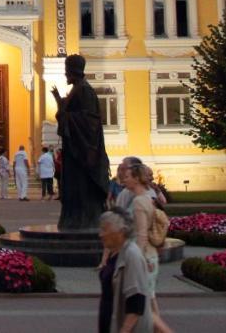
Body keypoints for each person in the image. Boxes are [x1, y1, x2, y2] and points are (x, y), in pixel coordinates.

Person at [50, 54, 111, 229]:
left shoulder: (84, 90)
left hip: (83, 152)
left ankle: (83, 221)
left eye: (67, 71)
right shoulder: (77, 89)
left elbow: (89, 121)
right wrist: (60, 102)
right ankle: (73, 220)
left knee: (81, 188)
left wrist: (64, 114)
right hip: (75, 149)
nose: (65, 75)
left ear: (73, 72)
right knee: (73, 188)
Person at [120, 163, 172, 333]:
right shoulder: (147, 199)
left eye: (127, 176)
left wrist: (138, 259)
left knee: (144, 305)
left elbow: (142, 234)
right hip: (150, 255)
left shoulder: (139, 202)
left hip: (145, 257)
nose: (124, 179)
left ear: (136, 179)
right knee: (149, 299)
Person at [97, 209, 153, 333]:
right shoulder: (115, 253)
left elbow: (137, 302)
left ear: (121, 231)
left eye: (105, 229)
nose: (100, 234)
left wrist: (124, 330)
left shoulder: (131, 255)